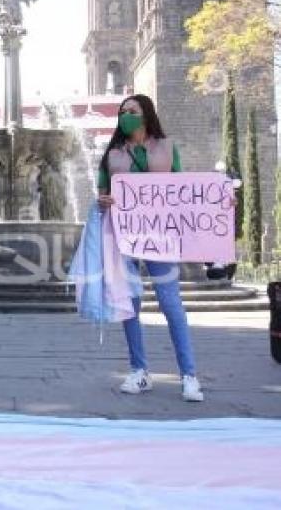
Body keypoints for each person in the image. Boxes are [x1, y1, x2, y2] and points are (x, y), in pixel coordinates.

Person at [97, 94, 204, 402]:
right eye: (122, 112)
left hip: (162, 237)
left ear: (146, 114)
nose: (126, 115)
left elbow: (186, 190)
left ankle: (189, 375)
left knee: (171, 303)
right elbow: (102, 194)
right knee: (130, 303)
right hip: (124, 238)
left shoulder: (168, 148)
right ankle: (139, 371)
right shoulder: (111, 154)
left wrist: (220, 200)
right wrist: (102, 200)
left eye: (132, 110)